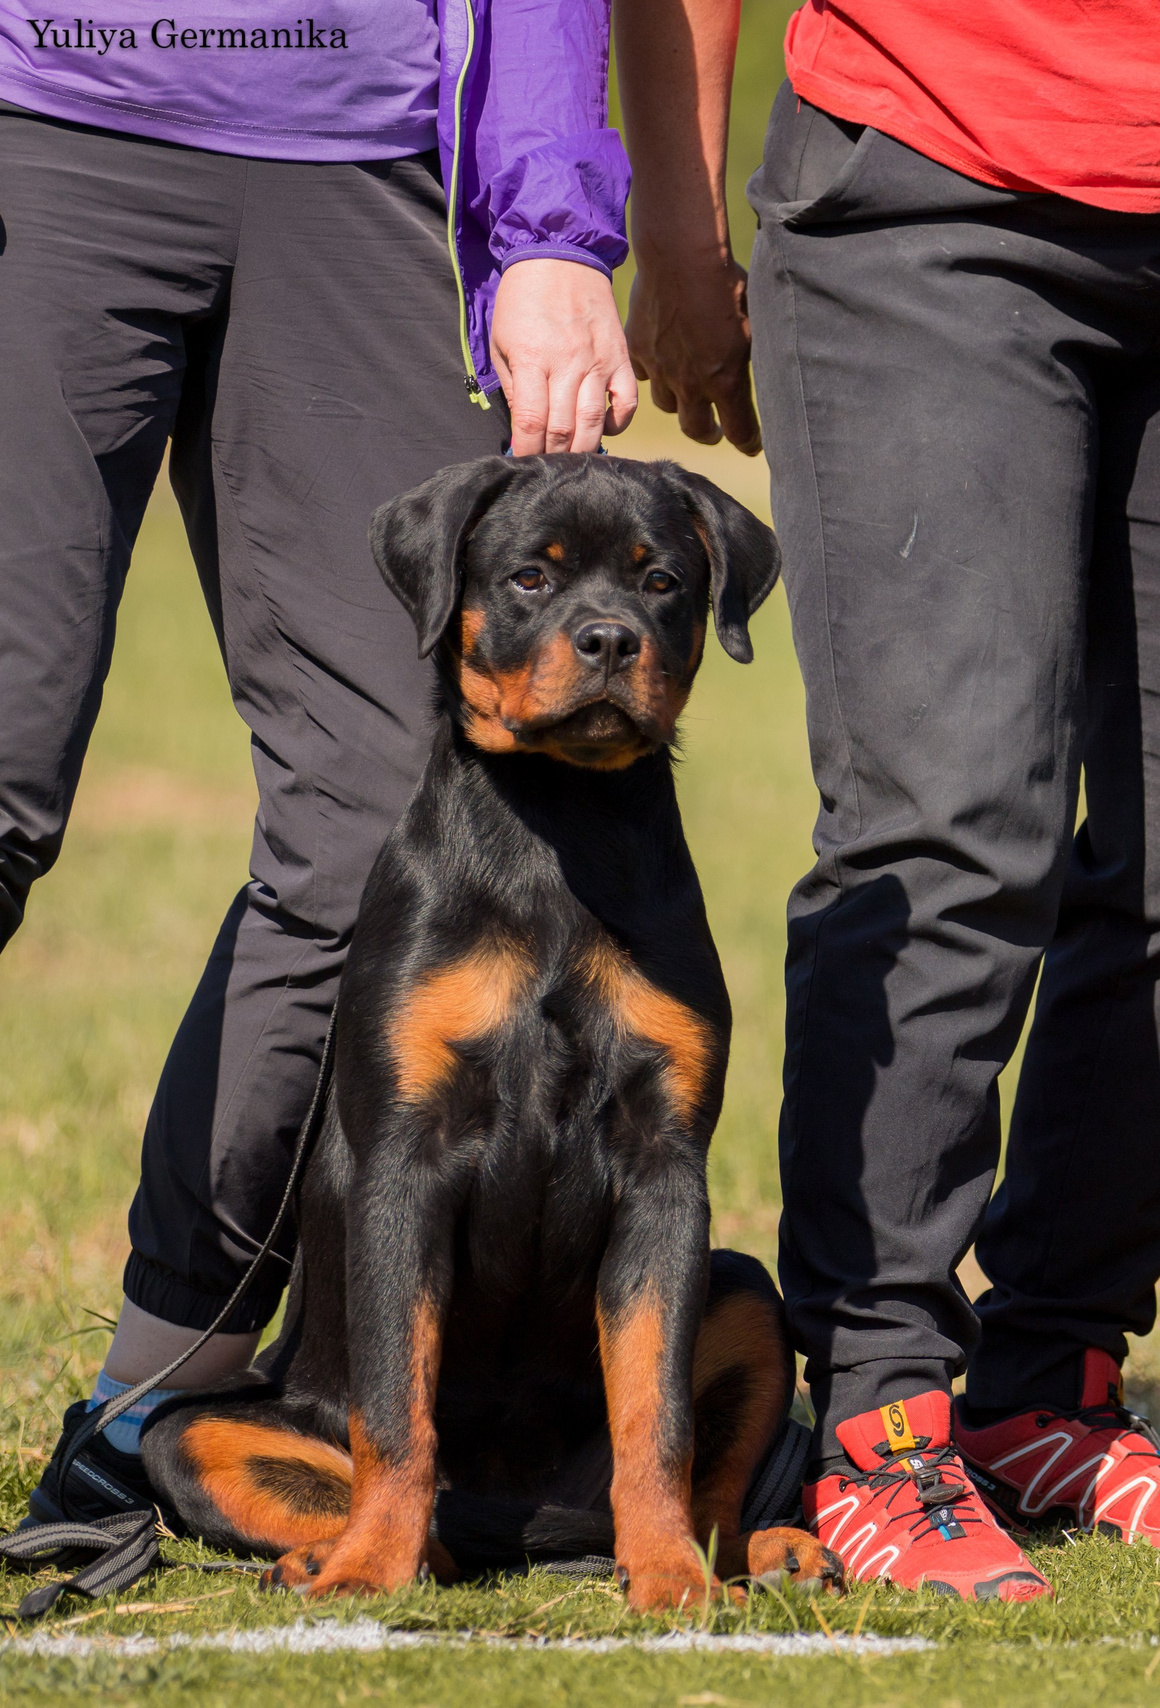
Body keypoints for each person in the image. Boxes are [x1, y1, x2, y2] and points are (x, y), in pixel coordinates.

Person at [619, 0, 1160, 1598]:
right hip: (926, 186)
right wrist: (676, 214)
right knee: (948, 827)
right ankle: (878, 1410)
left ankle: (1047, 1382)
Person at [6, 0, 636, 1524]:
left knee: (379, 831)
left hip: (360, 155)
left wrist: (551, 219)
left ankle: (161, 1396)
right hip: (43, 110)